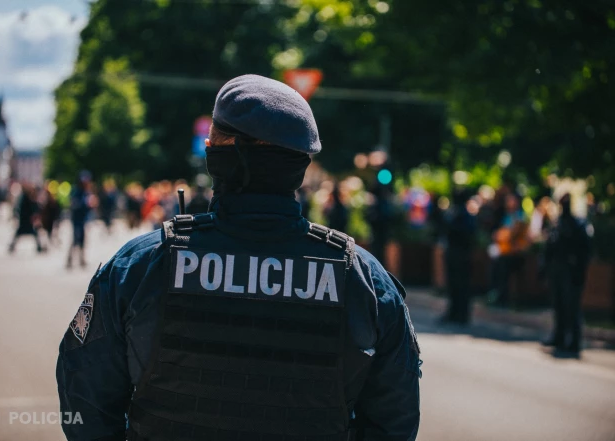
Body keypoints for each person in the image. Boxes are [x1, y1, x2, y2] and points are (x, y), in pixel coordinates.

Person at [57, 75, 421, 441]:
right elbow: (395, 419)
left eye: (211, 139)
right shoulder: (364, 279)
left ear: (220, 154)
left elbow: (85, 397)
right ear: (301, 162)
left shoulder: (141, 265)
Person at [543, 194, 591, 356]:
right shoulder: (557, 223)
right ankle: (560, 336)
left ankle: (574, 341)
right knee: (558, 305)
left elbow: (584, 251)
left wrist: (578, 269)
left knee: (572, 306)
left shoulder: (578, 224)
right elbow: (549, 247)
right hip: (557, 270)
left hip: (571, 271)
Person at [440, 188, 476, 324]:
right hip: (458, 254)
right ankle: (456, 313)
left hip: (459, 254)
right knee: (456, 285)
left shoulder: (461, 215)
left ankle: (460, 314)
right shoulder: (461, 215)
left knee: (459, 285)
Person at [66, 172, 92, 269]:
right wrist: (86, 204)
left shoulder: (86, 192)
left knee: (83, 240)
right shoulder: (76, 191)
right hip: (76, 220)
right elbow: (74, 205)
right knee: (75, 240)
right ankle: (69, 259)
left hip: (83, 219)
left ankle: (81, 259)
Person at [8, 184, 44, 254]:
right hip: (25, 220)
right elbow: (30, 208)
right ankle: (12, 246)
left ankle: (39, 247)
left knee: (32, 234)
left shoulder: (27, 198)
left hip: (26, 221)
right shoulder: (25, 198)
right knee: (24, 233)